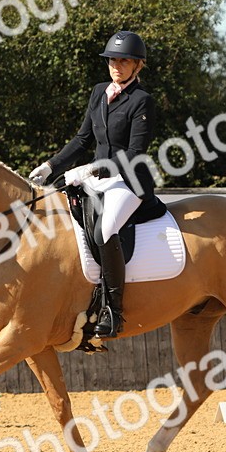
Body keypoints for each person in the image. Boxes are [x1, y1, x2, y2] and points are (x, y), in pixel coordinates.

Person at [29, 30, 160, 339]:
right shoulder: (100, 92)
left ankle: (113, 311)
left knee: (105, 229)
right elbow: (82, 139)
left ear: (137, 65)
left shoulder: (142, 101)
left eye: (124, 61)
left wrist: (90, 170)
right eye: (113, 60)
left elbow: (134, 153)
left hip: (128, 182)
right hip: (96, 180)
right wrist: (51, 166)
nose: (117, 66)